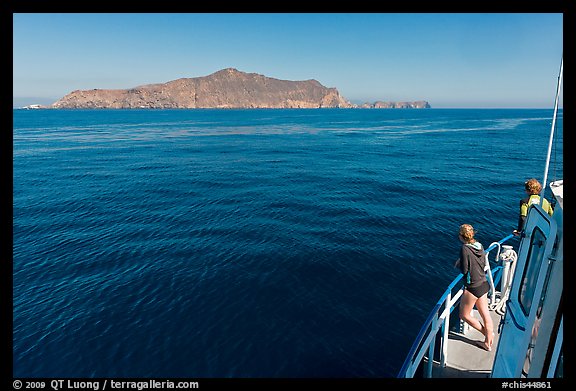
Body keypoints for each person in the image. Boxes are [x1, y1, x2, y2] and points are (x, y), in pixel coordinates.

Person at [454, 224, 494, 351]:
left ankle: (486, 335)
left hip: (473, 287)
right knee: (486, 316)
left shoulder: (464, 249)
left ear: (461, 236)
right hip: (483, 283)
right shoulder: (479, 245)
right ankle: (488, 341)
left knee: (464, 315)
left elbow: (465, 270)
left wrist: (459, 263)